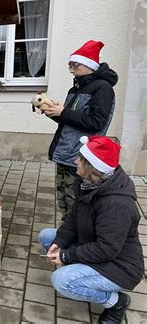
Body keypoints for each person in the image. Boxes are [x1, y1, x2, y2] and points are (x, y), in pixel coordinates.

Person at [38, 136, 144, 324]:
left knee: (62, 281)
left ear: (92, 167)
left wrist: (66, 257)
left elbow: (107, 249)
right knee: (47, 237)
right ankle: (81, 272)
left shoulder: (117, 205)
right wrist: (59, 244)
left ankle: (116, 302)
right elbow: (72, 219)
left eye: (80, 158)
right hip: (92, 244)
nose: (75, 161)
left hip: (119, 266)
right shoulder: (87, 183)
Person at [45, 40, 118, 218]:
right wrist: (52, 112)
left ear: (89, 65)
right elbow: (70, 121)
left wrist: (63, 112)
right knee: (64, 203)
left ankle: (76, 242)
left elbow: (96, 123)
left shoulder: (103, 88)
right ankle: (66, 238)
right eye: (70, 65)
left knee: (76, 205)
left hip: (80, 157)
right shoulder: (77, 88)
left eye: (74, 65)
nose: (71, 69)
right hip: (65, 154)